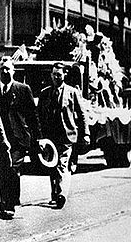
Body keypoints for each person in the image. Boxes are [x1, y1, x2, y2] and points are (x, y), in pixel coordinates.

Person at [0, 56, 41, 219]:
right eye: (2, 68)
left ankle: (11, 204)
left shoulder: (23, 89)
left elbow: (32, 116)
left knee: (13, 169)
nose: (5, 71)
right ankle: (3, 203)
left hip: (18, 139)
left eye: (8, 68)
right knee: (1, 171)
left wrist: (38, 138)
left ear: (13, 71)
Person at [37, 62, 89, 209]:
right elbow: (39, 116)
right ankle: (55, 195)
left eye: (59, 74)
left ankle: (62, 195)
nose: (56, 77)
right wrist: (39, 136)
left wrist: (85, 133)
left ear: (64, 75)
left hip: (66, 135)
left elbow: (82, 114)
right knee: (52, 165)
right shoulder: (45, 93)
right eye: (54, 74)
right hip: (49, 136)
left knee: (62, 165)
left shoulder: (72, 92)